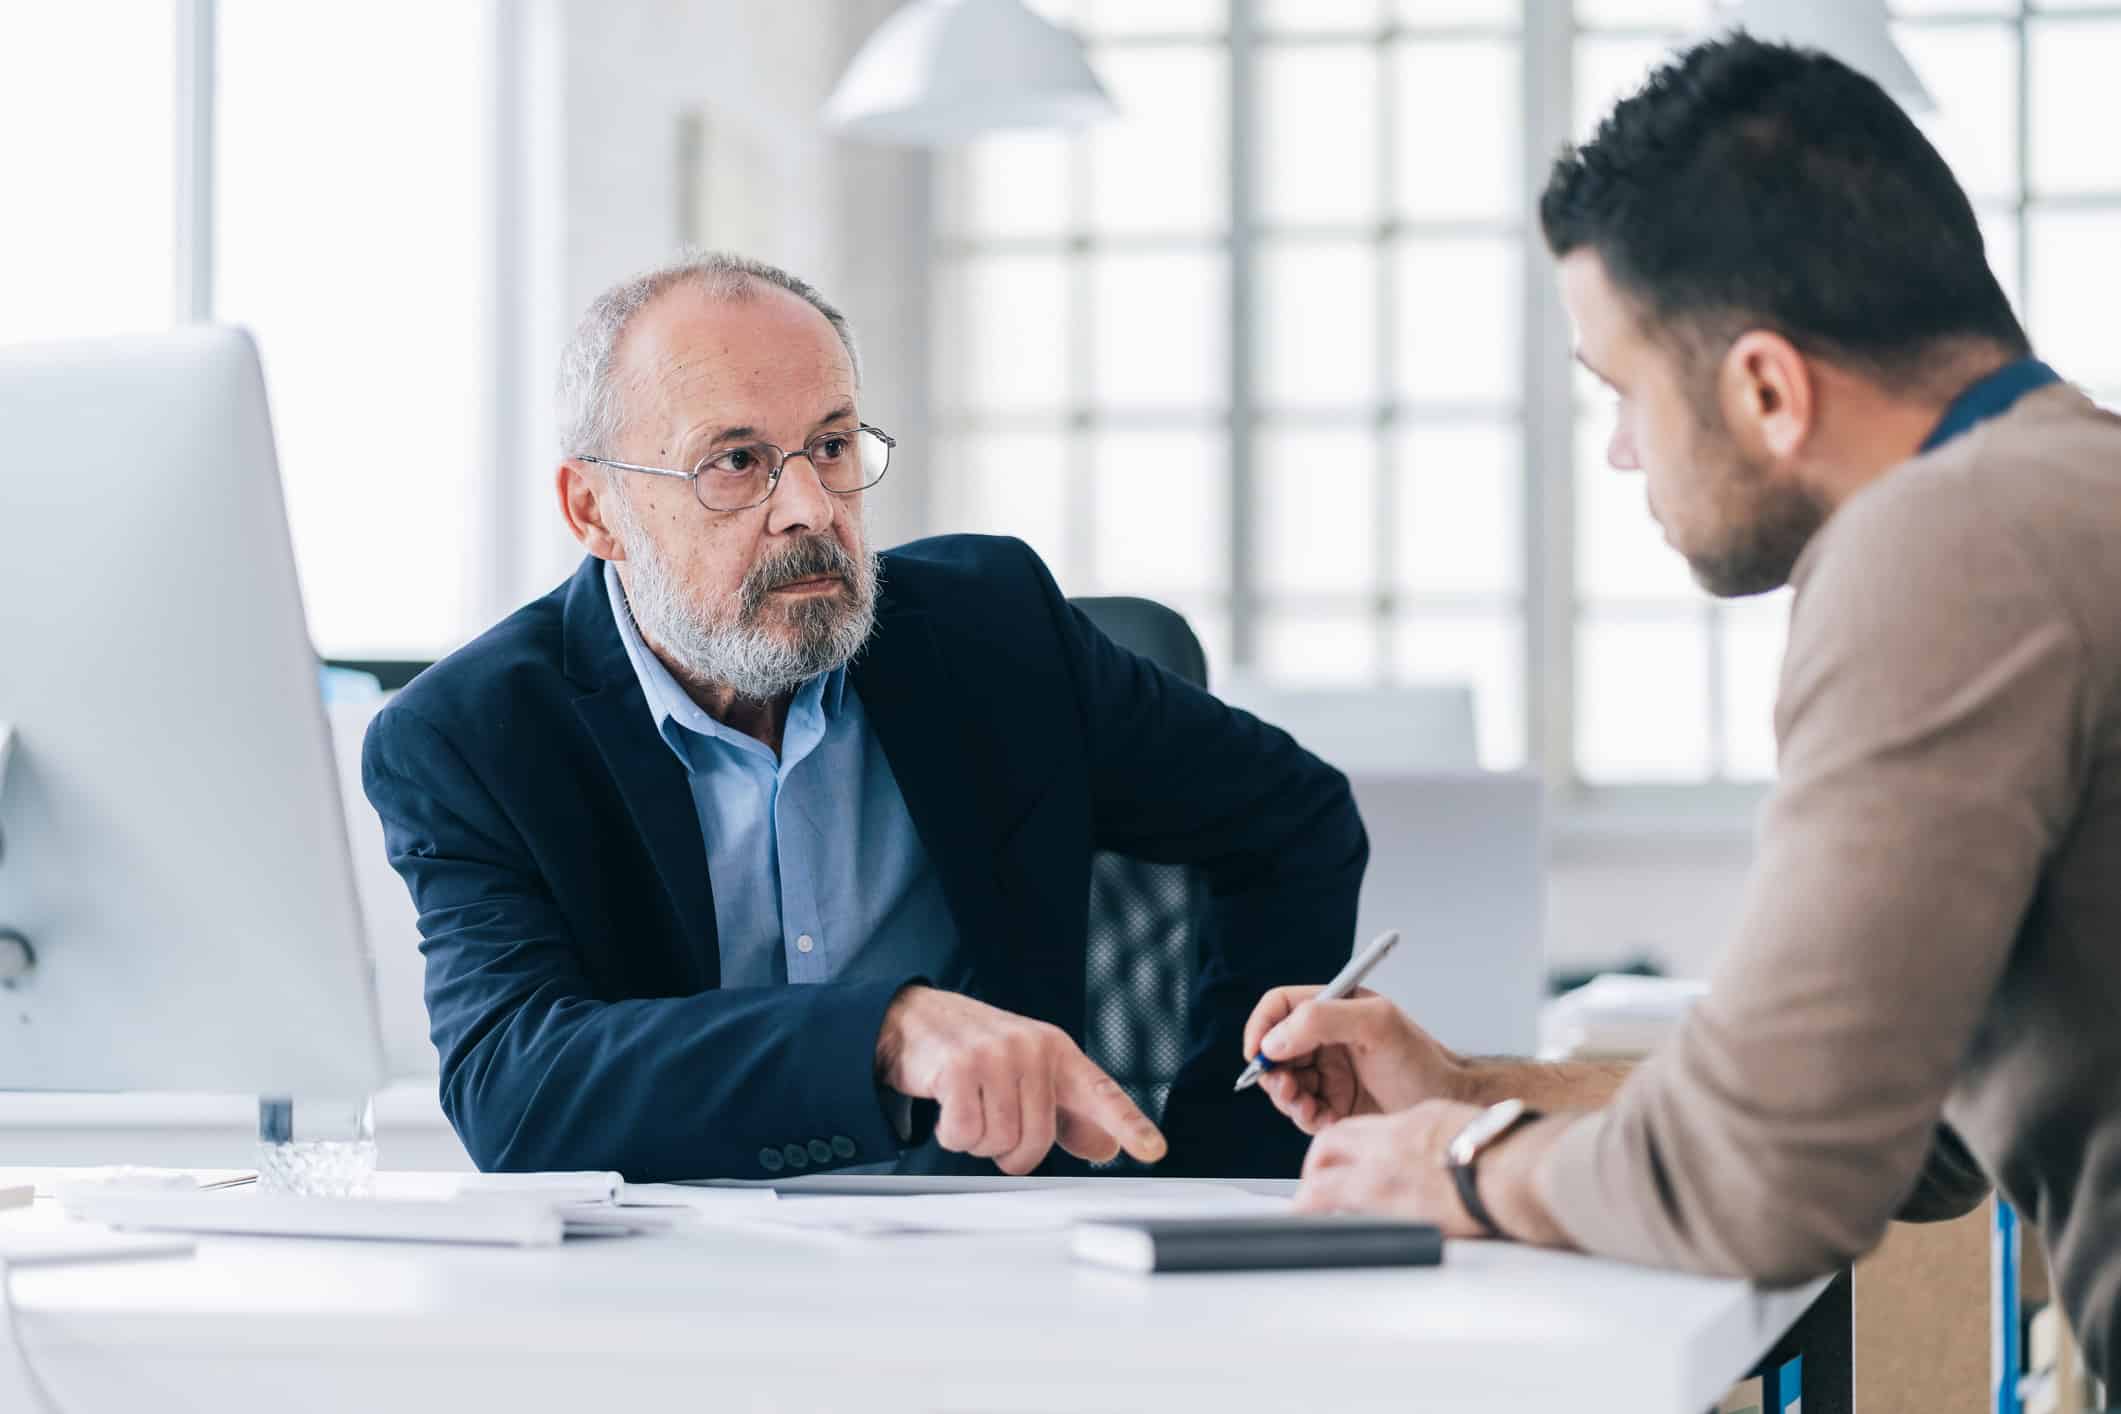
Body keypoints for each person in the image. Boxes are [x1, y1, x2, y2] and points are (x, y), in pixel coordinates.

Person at [1244, 33, 2121, 1386]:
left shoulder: (1945, 550)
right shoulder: (2066, 494)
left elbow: (1774, 1174)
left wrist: (1462, 1167)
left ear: (1766, 388)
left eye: (1622, 391)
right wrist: (1474, 1090)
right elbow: (1893, 1128)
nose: (1618, 450)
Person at [362, 252, 1365, 1184]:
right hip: (681, 1277)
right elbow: (515, 1087)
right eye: (736, 461)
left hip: (1002, 1260)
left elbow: (1294, 818)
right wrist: (882, 1033)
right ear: (594, 511)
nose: (810, 507)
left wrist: (1217, 1164)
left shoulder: (994, 635)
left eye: (832, 446)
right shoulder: (472, 735)